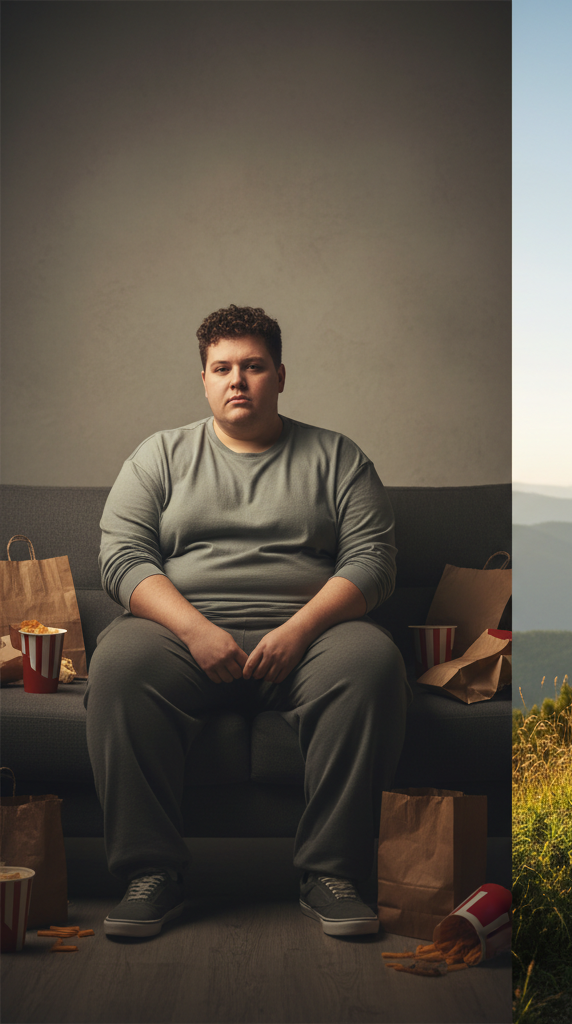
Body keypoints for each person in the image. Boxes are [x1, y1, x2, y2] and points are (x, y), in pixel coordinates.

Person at [87, 304, 409, 937]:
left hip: (309, 640)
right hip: (180, 639)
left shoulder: (338, 457)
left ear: (280, 376)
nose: (238, 380)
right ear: (204, 379)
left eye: (254, 366)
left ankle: (332, 874)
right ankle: (149, 874)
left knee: (371, 662)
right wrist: (194, 630)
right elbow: (121, 558)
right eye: (223, 368)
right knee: (119, 664)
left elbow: (375, 562)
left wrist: (299, 631)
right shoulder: (160, 455)